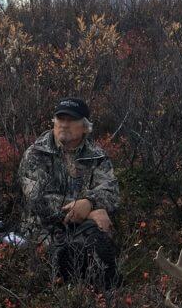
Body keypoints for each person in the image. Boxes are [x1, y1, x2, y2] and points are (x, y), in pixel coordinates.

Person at [17, 97, 122, 289]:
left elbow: (112, 192)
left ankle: (107, 300)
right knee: (63, 262)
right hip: (42, 231)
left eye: (71, 120)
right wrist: (86, 209)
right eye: (60, 119)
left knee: (99, 249)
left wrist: (89, 202)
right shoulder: (35, 154)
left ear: (85, 127)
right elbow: (37, 199)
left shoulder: (97, 155)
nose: (64, 124)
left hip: (84, 230)